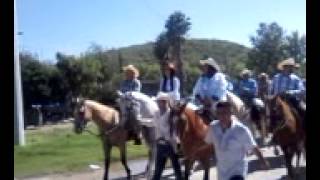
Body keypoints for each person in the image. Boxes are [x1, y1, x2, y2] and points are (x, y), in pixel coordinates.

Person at [199, 101, 269, 180]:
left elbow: (253, 146)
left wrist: (263, 161)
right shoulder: (213, 127)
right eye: (219, 113)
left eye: (225, 113)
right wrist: (194, 152)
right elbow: (206, 143)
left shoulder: (241, 130)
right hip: (222, 172)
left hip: (237, 170)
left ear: (230, 113)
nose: (222, 116)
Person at [152, 92, 183, 180]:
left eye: (160, 101)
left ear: (166, 102)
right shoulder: (156, 113)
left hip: (170, 145)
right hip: (160, 144)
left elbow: (174, 129)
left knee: (176, 169)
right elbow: (153, 123)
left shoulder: (172, 114)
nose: (158, 103)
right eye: (158, 101)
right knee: (157, 171)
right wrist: (141, 121)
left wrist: (168, 138)